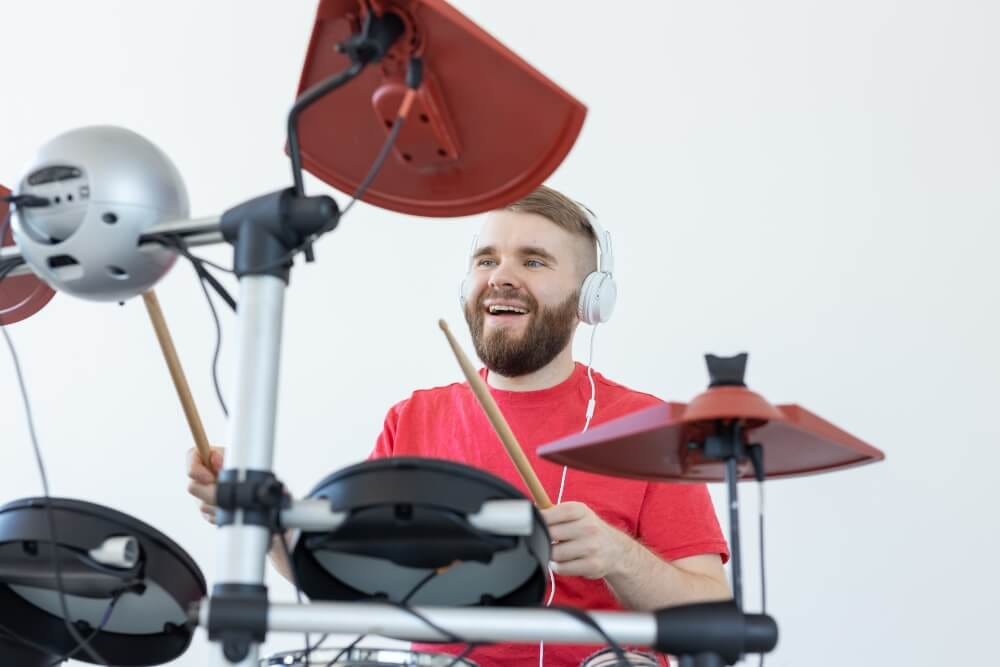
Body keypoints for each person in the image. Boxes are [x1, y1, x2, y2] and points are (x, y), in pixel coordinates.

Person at [187, 185, 731, 667]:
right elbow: (353, 581)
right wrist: (260, 519)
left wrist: (618, 555)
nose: (502, 278)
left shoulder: (647, 428)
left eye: (534, 262)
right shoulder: (414, 419)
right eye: (486, 260)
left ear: (589, 299)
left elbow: (712, 617)